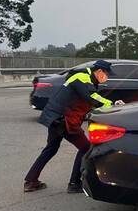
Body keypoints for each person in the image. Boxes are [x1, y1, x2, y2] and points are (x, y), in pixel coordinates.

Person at [23, 60, 123, 193]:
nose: (107, 77)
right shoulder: (82, 77)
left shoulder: (87, 79)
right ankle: (74, 183)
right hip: (64, 120)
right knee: (85, 148)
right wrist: (112, 104)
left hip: (56, 117)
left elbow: (84, 101)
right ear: (99, 71)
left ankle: (30, 181)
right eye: (106, 74)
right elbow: (91, 97)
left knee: (50, 149)